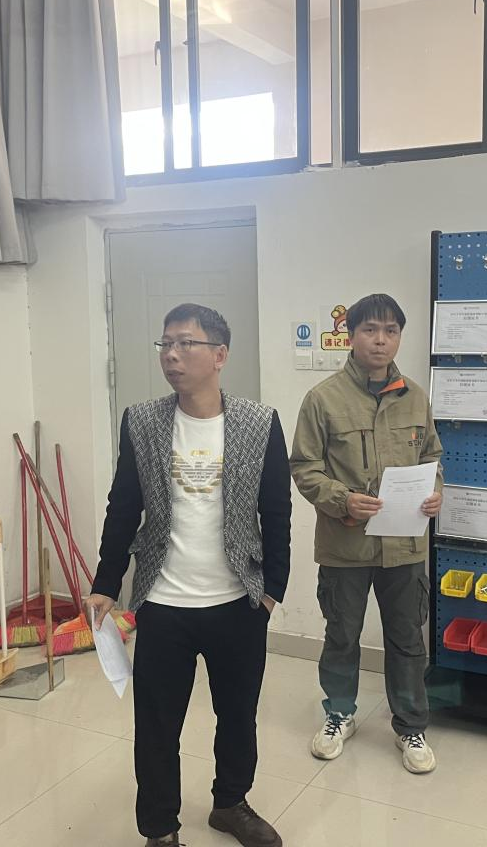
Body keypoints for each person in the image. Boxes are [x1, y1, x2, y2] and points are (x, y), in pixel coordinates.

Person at [85, 304, 291, 847]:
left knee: (238, 716)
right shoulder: (142, 420)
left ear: (219, 355)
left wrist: (273, 590)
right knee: (157, 725)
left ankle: (231, 803)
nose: (171, 355)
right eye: (165, 344)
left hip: (238, 601)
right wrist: (106, 582)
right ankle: (159, 829)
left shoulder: (259, 422)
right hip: (164, 601)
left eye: (185, 344)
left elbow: (277, 509)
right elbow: (123, 506)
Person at [290, 293, 443, 774]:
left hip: (405, 546)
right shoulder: (323, 399)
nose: (381, 340)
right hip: (346, 545)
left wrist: (435, 492)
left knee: (407, 639)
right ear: (351, 335)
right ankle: (339, 714)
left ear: (399, 336)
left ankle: (411, 725)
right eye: (370, 330)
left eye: (390, 331)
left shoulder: (415, 396)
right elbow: (304, 467)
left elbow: (431, 458)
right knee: (342, 635)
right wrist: (342, 500)